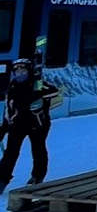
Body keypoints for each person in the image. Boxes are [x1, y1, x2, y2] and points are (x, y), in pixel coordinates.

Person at [0, 58, 60, 190]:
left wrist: (39, 95)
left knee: (38, 149)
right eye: (17, 72)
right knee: (11, 152)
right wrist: (3, 128)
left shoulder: (37, 84)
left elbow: (55, 91)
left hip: (37, 124)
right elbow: (8, 109)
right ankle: (2, 179)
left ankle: (37, 176)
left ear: (29, 71)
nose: (20, 74)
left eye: (23, 71)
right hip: (17, 124)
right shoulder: (13, 87)